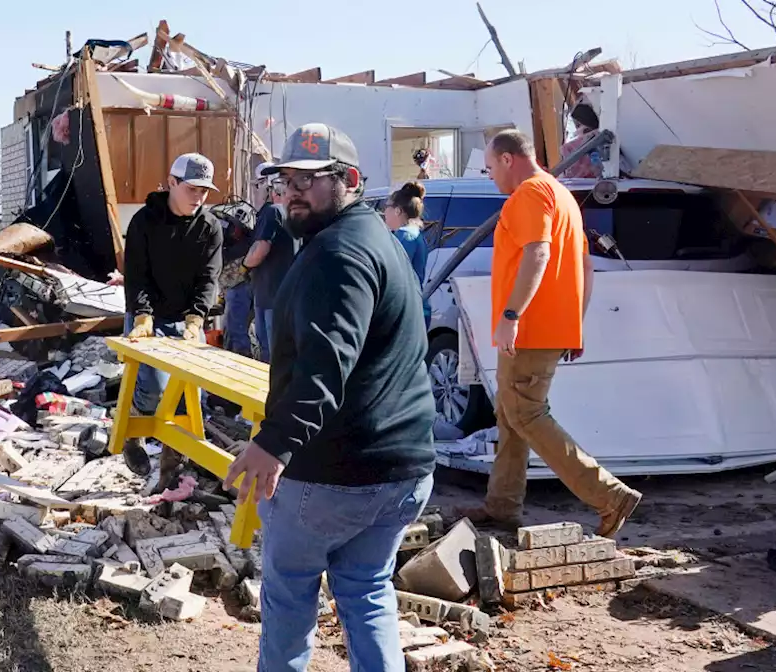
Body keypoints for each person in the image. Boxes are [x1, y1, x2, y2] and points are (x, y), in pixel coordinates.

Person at [225, 123, 435, 671]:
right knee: (366, 591)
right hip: (401, 470)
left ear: (350, 180)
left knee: (291, 596)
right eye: (286, 178)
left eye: (311, 179)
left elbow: (324, 368)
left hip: (333, 474)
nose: (293, 190)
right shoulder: (373, 240)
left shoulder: (337, 257)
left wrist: (273, 444)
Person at [457, 129, 642, 538]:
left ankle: (610, 496)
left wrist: (511, 313)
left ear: (508, 159)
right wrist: (574, 323)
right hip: (547, 328)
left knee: (525, 413)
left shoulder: (529, 194)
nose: (491, 177)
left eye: (490, 168)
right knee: (510, 415)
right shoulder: (563, 198)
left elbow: (538, 251)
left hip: (530, 329)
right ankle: (502, 506)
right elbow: (585, 268)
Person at [122, 152, 224, 483]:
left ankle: (172, 468)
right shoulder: (143, 222)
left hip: (185, 318)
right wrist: (143, 317)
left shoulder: (210, 228)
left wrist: (195, 320)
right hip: (147, 313)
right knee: (152, 386)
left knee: (186, 396)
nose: (199, 197)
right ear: (172, 183)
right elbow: (137, 276)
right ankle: (133, 431)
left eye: (204, 191)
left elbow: (209, 278)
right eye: (192, 189)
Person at [242, 163, 294, 362]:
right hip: (282, 296)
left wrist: (243, 267)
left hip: (270, 296)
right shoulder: (291, 213)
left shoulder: (272, 211)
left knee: (270, 356)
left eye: (258, 185)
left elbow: (260, 249)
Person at [381, 181, 431, 329]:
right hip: (417, 308)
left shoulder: (404, 236)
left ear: (397, 210)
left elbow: (393, 277)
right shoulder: (414, 233)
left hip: (406, 312)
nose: (384, 212)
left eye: (387, 207)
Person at [221, 201, 258, 357]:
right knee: (234, 331)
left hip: (241, 287)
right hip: (238, 287)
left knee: (236, 333)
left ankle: (240, 364)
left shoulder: (242, 247)